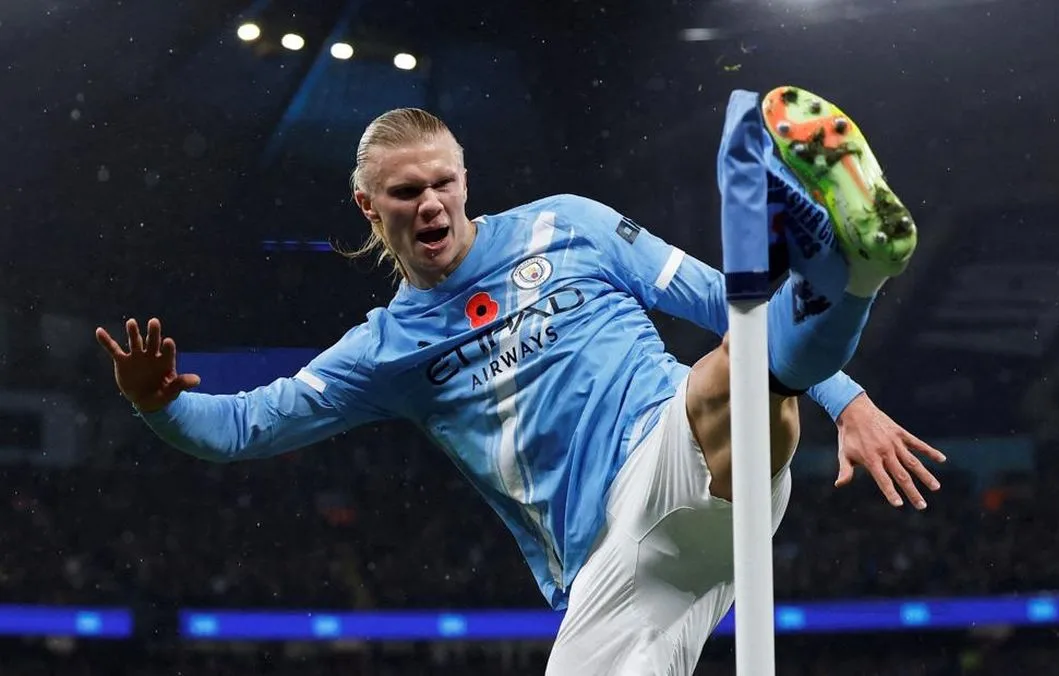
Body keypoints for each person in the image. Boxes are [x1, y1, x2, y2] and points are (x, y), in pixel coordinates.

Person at [96, 86, 945, 675]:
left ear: (466, 180)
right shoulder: (382, 351)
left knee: (740, 381)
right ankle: (842, 284)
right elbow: (243, 426)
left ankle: (855, 272)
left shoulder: (568, 225)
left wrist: (849, 400)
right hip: (614, 565)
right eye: (406, 192)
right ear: (368, 206)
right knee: (748, 384)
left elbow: (720, 301)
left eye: (443, 183)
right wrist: (157, 403)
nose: (431, 204)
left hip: (670, 450)